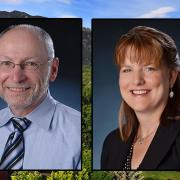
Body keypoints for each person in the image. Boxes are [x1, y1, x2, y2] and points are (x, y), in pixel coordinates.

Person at [0, 24, 81, 170]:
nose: (16, 77)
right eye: (6, 63)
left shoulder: (79, 134)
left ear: (53, 70)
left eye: (31, 64)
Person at [101, 26, 180, 170]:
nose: (137, 80)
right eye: (127, 69)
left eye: (149, 68)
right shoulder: (112, 143)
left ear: (171, 77)